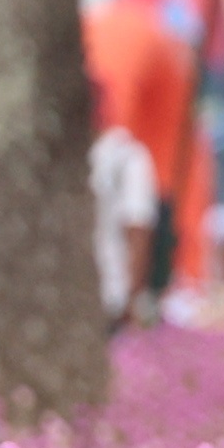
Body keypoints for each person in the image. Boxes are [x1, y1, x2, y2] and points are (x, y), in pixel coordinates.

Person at [89, 122, 165, 327]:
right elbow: (139, 229)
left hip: (110, 297)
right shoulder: (129, 156)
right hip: (111, 297)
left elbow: (138, 228)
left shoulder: (123, 156)